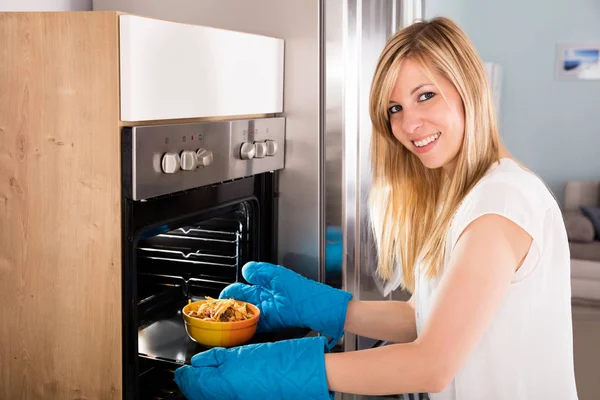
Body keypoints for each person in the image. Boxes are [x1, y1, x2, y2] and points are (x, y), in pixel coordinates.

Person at [174, 16, 579, 400]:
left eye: (426, 95)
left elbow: (431, 363)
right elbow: (421, 317)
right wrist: (324, 307)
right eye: (394, 108)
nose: (408, 124)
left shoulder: (500, 204)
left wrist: (287, 370)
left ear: (468, 89)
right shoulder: (467, 197)